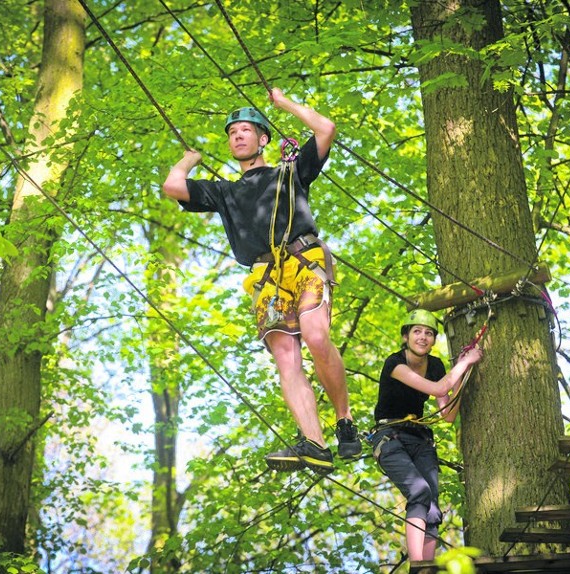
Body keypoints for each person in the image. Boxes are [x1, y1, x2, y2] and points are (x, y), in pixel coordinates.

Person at [163, 88, 361, 475]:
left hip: (303, 259)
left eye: (245, 130)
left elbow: (325, 129)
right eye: (232, 132)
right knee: (286, 358)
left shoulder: (290, 171)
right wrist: (187, 160)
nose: (237, 136)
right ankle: (314, 443)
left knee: (316, 336)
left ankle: (344, 419)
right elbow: (173, 187)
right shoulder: (224, 192)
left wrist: (283, 104)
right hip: (266, 276)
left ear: (263, 138)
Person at [370, 309, 483, 561]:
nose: (423, 337)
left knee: (432, 506)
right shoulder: (394, 363)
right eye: (417, 331)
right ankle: (418, 564)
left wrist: (462, 376)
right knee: (419, 491)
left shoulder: (435, 366)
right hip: (390, 438)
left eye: (429, 333)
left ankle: (427, 566)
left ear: (433, 340)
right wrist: (464, 362)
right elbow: (438, 388)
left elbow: (448, 414)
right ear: (406, 337)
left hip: (421, 440)